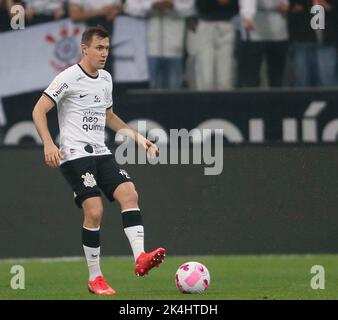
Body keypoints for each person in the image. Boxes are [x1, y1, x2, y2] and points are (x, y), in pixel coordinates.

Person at [32, 26, 166, 296]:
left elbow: (109, 117)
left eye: (107, 48)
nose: (104, 53)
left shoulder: (105, 79)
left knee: (130, 194)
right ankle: (95, 278)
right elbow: (39, 109)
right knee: (94, 211)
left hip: (101, 152)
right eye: (99, 48)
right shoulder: (68, 77)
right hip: (74, 154)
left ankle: (140, 258)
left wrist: (140, 139)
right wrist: (48, 143)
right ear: (85, 48)